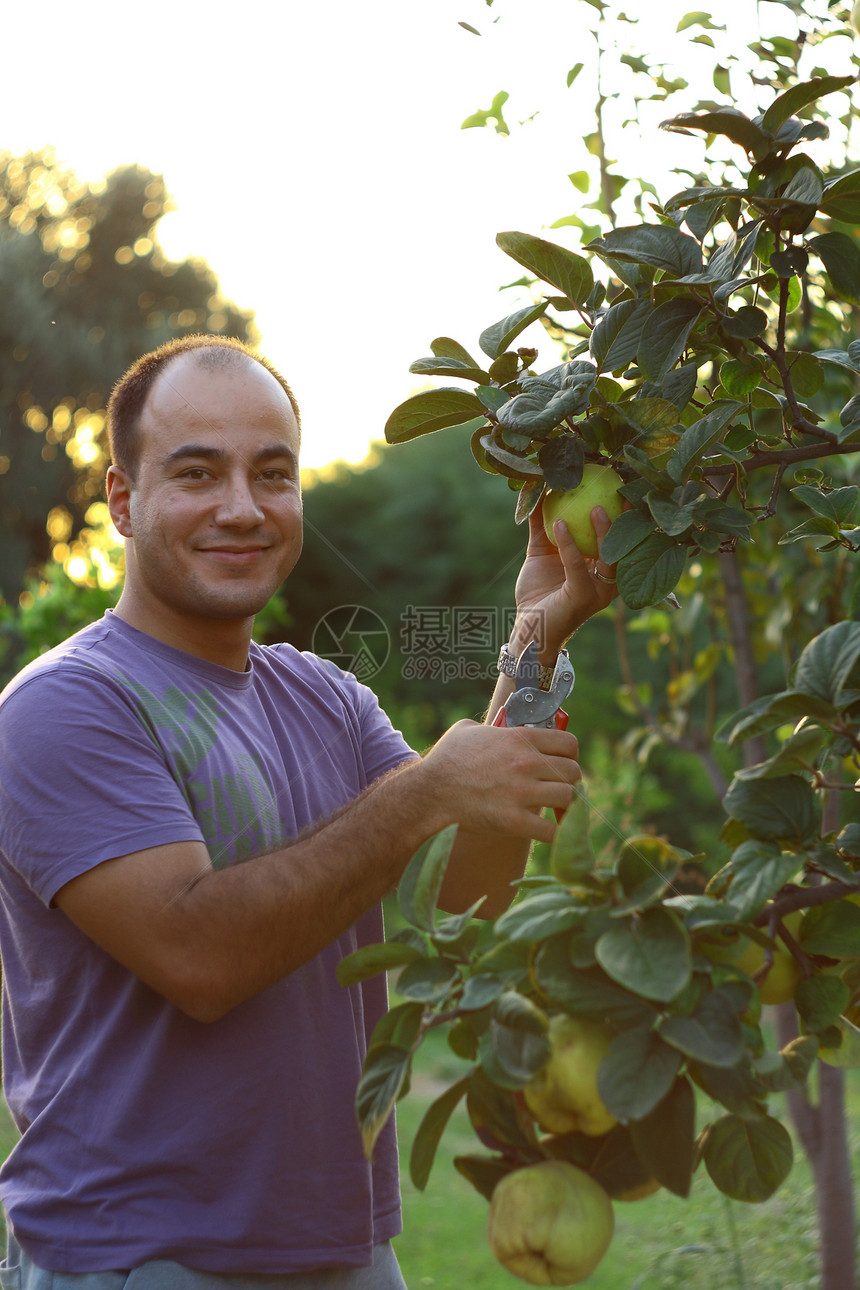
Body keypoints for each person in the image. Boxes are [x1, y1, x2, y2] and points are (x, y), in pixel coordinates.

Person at [0, 335, 618, 1289]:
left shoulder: (326, 697)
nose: (242, 507)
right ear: (122, 500)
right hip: (143, 1259)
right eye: (198, 472)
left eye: (273, 473)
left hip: (349, 1251)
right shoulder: (64, 707)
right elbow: (198, 957)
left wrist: (532, 645)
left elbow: (463, 901)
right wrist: (425, 788)